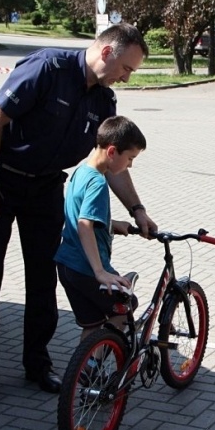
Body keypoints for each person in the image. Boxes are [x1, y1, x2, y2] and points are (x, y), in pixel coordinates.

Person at [0, 23, 154, 413]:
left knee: (45, 277)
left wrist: (138, 209)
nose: (126, 77)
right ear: (107, 53)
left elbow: (111, 164)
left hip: (46, 188)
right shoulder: (47, 69)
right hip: (0, 179)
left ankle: (37, 364)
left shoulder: (104, 101)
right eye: (127, 68)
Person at [55, 116, 145, 346]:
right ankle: (104, 365)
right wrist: (99, 272)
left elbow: (80, 215)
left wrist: (111, 223)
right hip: (86, 268)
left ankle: (86, 373)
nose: (130, 165)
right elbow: (85, 224)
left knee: (93, 323)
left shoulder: (82, 172)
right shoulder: (97, 182)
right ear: (113, 151)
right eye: (130, 158)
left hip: (67, 265)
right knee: (126, 307)